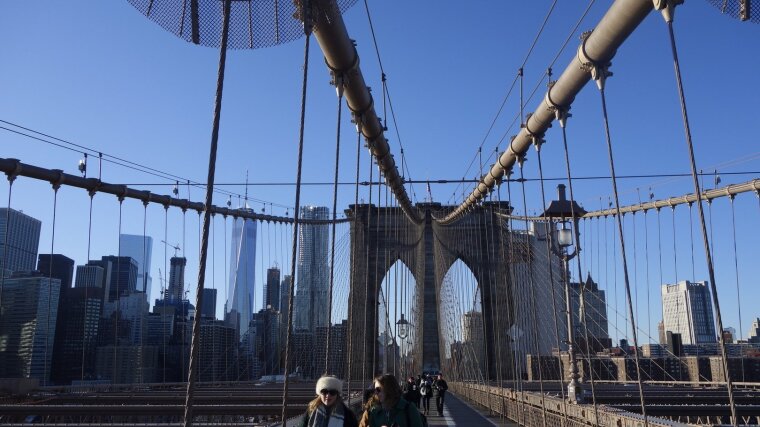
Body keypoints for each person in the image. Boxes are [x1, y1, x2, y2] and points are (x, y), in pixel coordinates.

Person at [359, 373, 424, 427]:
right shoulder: (373, 410)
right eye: (375, 390)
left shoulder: (408, 409)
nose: (375, 393)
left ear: (389, 389)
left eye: (378, 389)